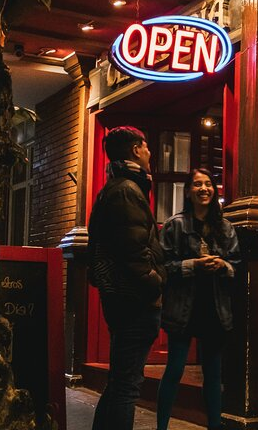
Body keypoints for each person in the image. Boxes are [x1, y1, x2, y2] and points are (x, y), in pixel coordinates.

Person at [88, 126, 166, 430]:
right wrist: (155, 284)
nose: (150, 153)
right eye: (146, 146)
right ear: (136, 149)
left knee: (120, 381)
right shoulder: (126, 190)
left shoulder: (118, 188)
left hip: (122, 298)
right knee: (127, 387)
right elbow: (133, 252)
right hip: (134, 301)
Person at [157, 168, 240, 430]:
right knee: (175, 369)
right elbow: (162, 266)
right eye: (197, 185)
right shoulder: (175, 224)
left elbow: (236, 263)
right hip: (183, 307)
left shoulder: (225, 227)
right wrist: (192, 265)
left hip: (214, 307)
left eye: (208, 184)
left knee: (213, 374)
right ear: (189, 192)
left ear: (214, 191)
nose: (204, 189)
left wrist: (222, 266)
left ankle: (214, 426)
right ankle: (161, 426)